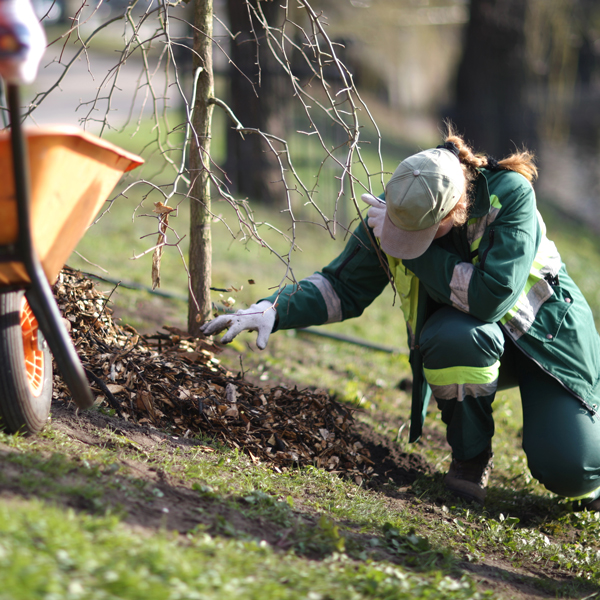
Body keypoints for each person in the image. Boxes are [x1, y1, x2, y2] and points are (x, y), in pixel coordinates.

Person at [201, 125, 600, 508]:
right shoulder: (400, 208)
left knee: (569, 471)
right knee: (451, 336)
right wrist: (273, 308)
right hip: (479, 342)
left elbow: (491, 297)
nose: (402, 242)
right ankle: (471, 459)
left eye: (418, 236)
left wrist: (419, 252)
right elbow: (342, 287)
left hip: (548, 342)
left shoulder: (509, 195)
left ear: (455, 211)